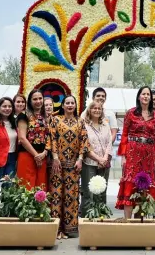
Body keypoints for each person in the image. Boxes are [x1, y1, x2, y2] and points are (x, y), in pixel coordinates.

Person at [116, 86, 155, 218]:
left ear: (151, 98)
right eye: (143, 94)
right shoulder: (131, 113)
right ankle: (127, 222)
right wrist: (123, 156)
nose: (146, 96)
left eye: (148, 94)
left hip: (149, 154)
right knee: (130, 183)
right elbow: (124, 134)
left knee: (145, 185)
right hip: (132, 152)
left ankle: (139, 222)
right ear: (139, 96)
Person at [49, 95, 89, 239]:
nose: (70, 105)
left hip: (74, 165)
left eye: (72, 103)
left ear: (75, 105)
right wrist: (54, 158)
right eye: (67, 103)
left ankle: (70, 229)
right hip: (57, 164)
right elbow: (52, 139)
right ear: (63, 105)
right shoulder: (55, 120)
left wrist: (80, 159)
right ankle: (56, 229)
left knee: (71, 196)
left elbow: (84, 141)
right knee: (56, 195)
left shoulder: (80, 121)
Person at [80, 101, 113, 217]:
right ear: (89, 110)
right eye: (94, 108)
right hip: (89, 162)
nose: (97, 110)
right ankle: (87, 218)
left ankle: (101, 217)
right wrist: (98, 159)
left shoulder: (105, 124)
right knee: (89, 192)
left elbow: (109, 142)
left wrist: (104, 159)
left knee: (102, 191)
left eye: (99, 108)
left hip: (104, 163)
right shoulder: (84, 124)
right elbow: (85, 145)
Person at [16, 89, 50, 190]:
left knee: (41, 186)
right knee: (27, 186)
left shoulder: (46, 116)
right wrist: (36, 155)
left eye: (40, 98)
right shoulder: (23, 115)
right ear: (30, 101)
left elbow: (50, 137)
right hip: (27, 154)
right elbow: (22, 138)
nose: (38, 101)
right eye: (35, 99)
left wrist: (44, 152)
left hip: (42, 155)